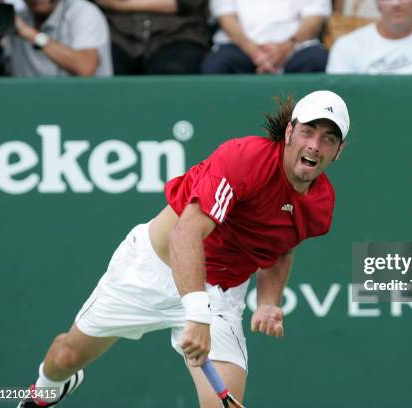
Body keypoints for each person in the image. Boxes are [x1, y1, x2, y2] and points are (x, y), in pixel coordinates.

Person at [17, 90, 350, 408]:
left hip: (220, 292)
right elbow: (185, 232)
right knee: (66, 358)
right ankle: (45, 391)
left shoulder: (320, 205)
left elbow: (280, 250)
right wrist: (196, 312)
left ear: (339, 151)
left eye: (328, 139)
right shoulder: (245, 159)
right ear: (290, 132)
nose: (315, 145)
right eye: (308, 131)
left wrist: (267, 302)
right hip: (151, 269)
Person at [202, 0, 331, 74]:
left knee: (319, 60)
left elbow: (315, 18)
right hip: (241, 47)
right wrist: (253, 51)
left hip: (295, 47)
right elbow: (225, 17)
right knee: (216, 64)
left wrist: (287, 47)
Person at [94, 0, 210, 75]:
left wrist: (121, 5)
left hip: (176, 35)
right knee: (105, 67)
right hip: (119, 36)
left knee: (174, 71)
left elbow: (189, 2)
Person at [4, 0, 113, 76]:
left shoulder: (82, 12)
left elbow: (86, 67)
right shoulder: (14, 17)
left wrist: (32, 35)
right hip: (28, 103)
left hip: (82, 103)